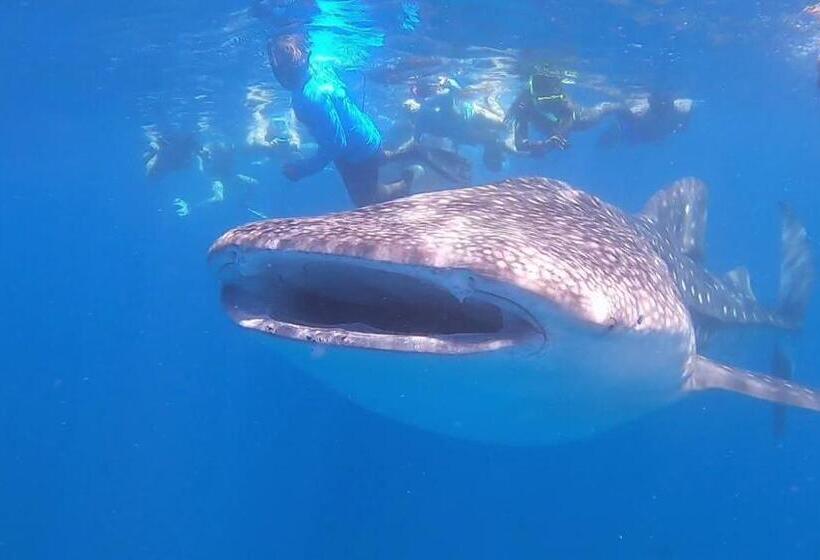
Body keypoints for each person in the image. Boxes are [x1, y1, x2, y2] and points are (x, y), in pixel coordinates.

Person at [268, 33, 460, 206]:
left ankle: (408, 180)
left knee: (367, 200)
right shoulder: (318, 67)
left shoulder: (310, 97)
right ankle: (411, 151)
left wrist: (303, 169)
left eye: (288, 68)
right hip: (365, 134)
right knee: (378, 157)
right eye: (280, 69)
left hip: (355, 153)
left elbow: (336, 145)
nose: (284, 76)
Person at [405, 75, 510, 171]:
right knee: (497, 128)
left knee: (500, 125)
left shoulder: (430, 107)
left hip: (468, 120)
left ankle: (491, 100)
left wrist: (448, 84)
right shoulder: (422, 119)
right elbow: (415, 140)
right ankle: (491, 101)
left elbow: (453, 92)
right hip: (462, 129)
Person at [505, 73, 620, 155]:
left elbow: (565, 126)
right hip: (549, 126)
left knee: (603, 109)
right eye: (542, 99)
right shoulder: (524, 104)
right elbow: (519, 143)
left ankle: (625, 111)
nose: (547, 103)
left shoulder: (565, 104)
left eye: (552, 99)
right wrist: (534, 146)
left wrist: (555, 138)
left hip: (578, 119)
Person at [598, 94, 694, 147]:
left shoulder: (680, 110)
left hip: (640, 135)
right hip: (638, 133)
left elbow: (682, 127)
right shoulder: (640, 112)